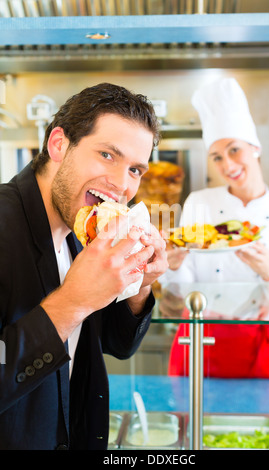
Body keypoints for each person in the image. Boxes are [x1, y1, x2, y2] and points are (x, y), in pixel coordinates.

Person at [0, 82, 168, 450]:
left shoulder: (86, 232)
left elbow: (115, 345)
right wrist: (71, 302)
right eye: (107, 155)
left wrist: (140, 288)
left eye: (136, 170)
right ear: (59, 144)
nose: (122, 184)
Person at [160, 77, 269, 378]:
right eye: (217, 157)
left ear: (256, 148)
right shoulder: (199, 203)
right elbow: (182, 289)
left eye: (234, 150)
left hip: (255, 343)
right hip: (197, 337)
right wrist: (173, 267)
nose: (227, 165)